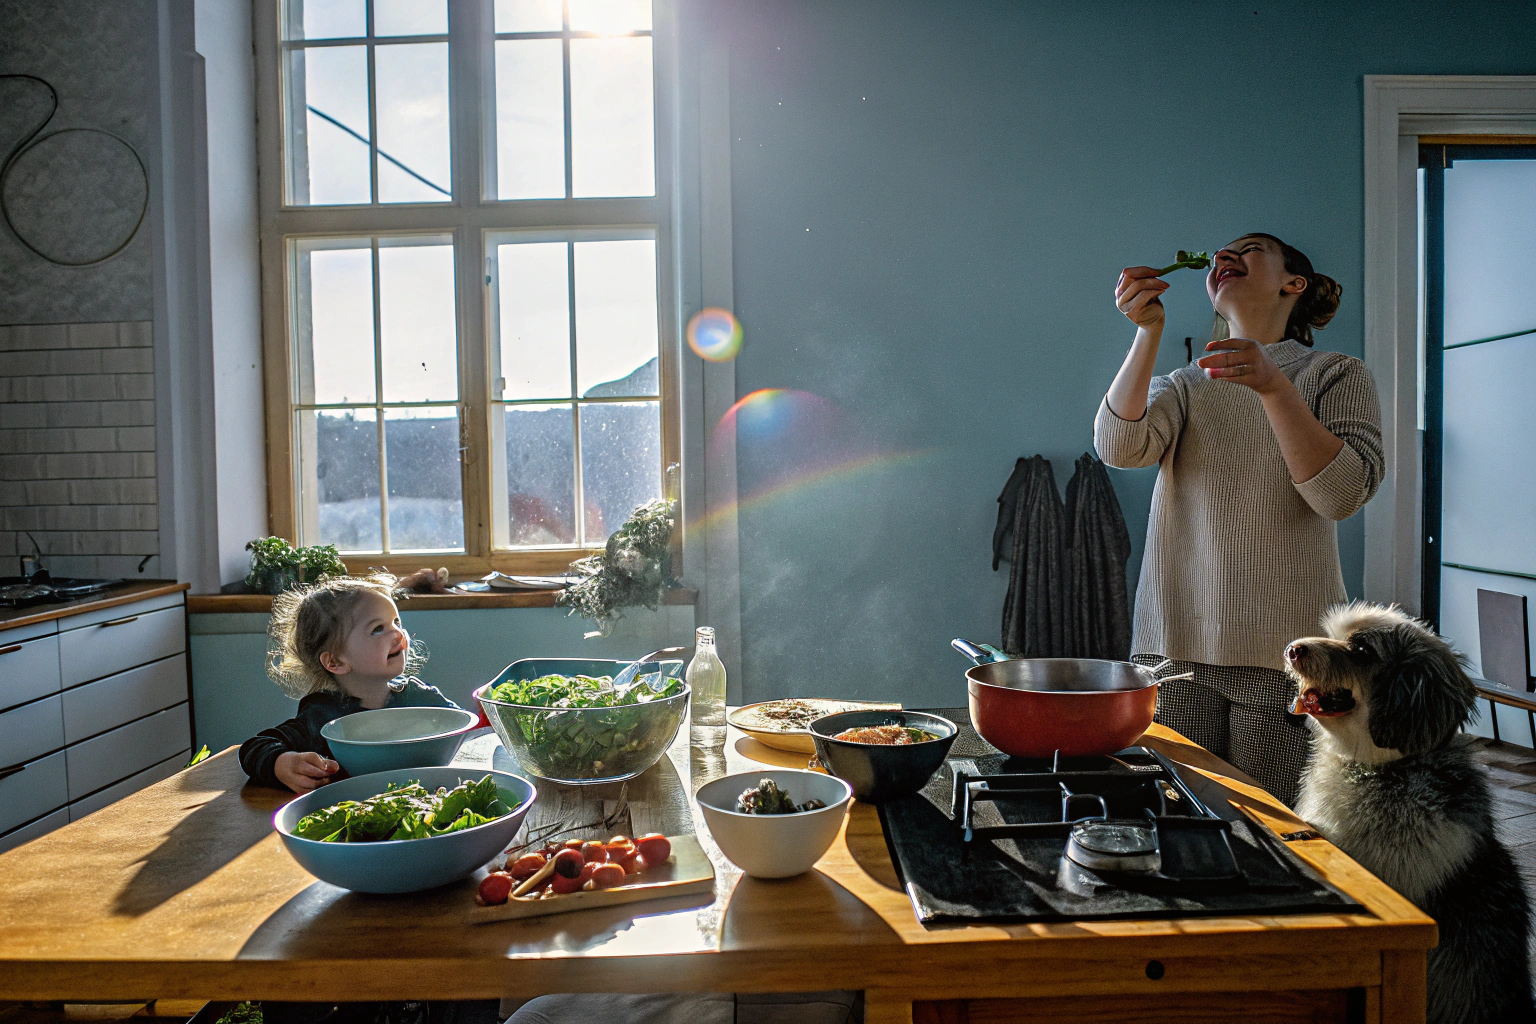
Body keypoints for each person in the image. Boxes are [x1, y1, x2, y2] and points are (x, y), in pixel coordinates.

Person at [1094, 233, 1383, 806]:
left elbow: (1341, 496)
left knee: (1275, 829)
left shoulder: (1335, 373)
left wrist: (1275, 387)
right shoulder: (1185, 383)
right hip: (1171, 650)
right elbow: (1117, 445)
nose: (1225, 256)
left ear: (1292, 284)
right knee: (1170, 821)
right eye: (1221, 253)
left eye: (1248, 249)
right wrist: (1146, 331)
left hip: (1284, 655)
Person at [239, 574, 459, 792]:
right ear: (335, 661)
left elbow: (467, 726)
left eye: (396, 622)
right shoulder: (322, 714)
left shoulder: (419, 696)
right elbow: (254, 748)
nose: (398, 634)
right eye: (378, 629)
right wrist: (282, 764)